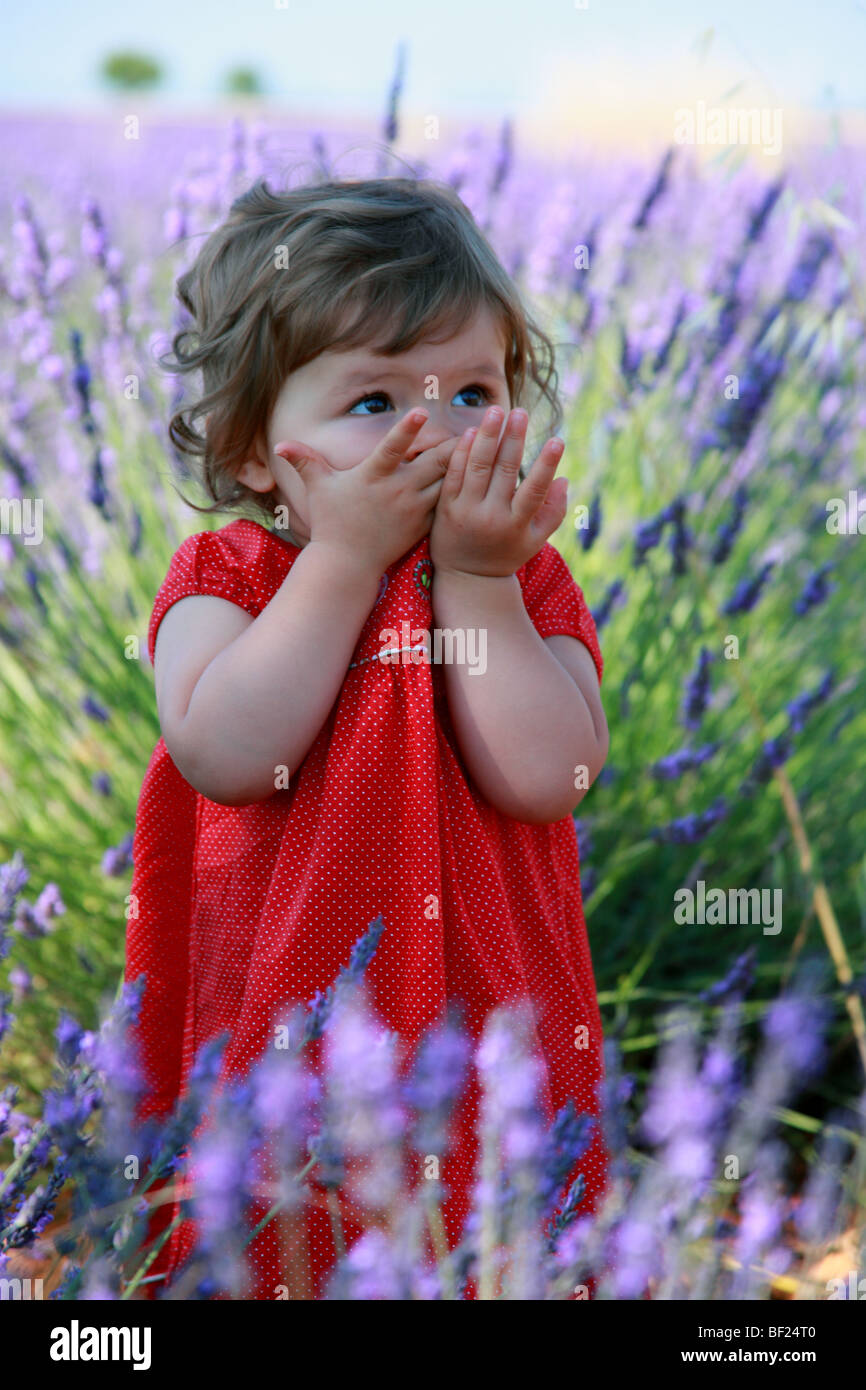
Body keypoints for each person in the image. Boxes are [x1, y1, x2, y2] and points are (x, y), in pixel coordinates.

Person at [125, 174, 611, 1299]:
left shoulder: (525, 586)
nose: (431, 435)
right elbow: (227, 754)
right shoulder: (227, 584)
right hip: (286, 1026)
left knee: (498, 1243)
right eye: (373, 403)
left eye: (470, 391)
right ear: (256, 450)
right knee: (284, 1237)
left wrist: (482, 583)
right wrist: (343, 563)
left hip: (491, 1029)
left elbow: (550, 775)